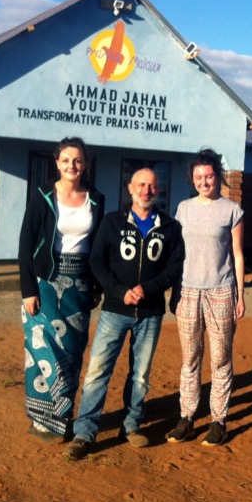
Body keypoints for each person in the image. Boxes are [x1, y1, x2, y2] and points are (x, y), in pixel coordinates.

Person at [64, 168, 185, 459]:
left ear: (159, 191)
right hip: (115, 311)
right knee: (97, 372)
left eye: (153, 185)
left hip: (151, 313)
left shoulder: (170, 227)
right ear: (130, 188)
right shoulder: (112, 222)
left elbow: (175, 266)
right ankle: (85, 432)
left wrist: (149, 288)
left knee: (141, 375)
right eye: (141, 184)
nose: (147, 190)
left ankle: (131, 425)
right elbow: (97, 261)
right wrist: (119, 291)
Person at [18, 137, 105, 442]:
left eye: (78, 160)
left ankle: (62, 417)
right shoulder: (43, 197)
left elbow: (97, 248)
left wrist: (96, 285)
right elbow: (25, 245)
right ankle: (43, 419)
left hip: (79, 287)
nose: (72, 166)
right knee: (43, 350)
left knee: (71, 353)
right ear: (57, 162)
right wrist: (28, 290)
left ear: (85, 164)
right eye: (66, 160)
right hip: (44, 284)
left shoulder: (95, 198)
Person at [166, 148, 246, 447]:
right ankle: (186, 418)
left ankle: (218, 421)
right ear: (192, 179)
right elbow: (176, 254)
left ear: (218, 176)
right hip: (188, 291)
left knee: (221, 358)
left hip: (222, 292)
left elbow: (238, 255)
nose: (204, 181)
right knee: (190, 358)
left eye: (209, 176)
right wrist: (174, 289)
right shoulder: (183, 209)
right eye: (199, 177)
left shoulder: (232, 210)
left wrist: (240, 295)